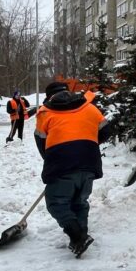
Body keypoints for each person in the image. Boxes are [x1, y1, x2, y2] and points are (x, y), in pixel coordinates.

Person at [34, 82, 111, 257]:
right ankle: (80, 236)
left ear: (48, 97)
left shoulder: (45, 113)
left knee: (56, 202)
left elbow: (41, 143)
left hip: (62, 162)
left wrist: (54, 161)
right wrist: (86, 143)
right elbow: (106, 131)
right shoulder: (89, 108)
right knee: (79, 202)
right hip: (89, 162)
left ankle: (78, 236)